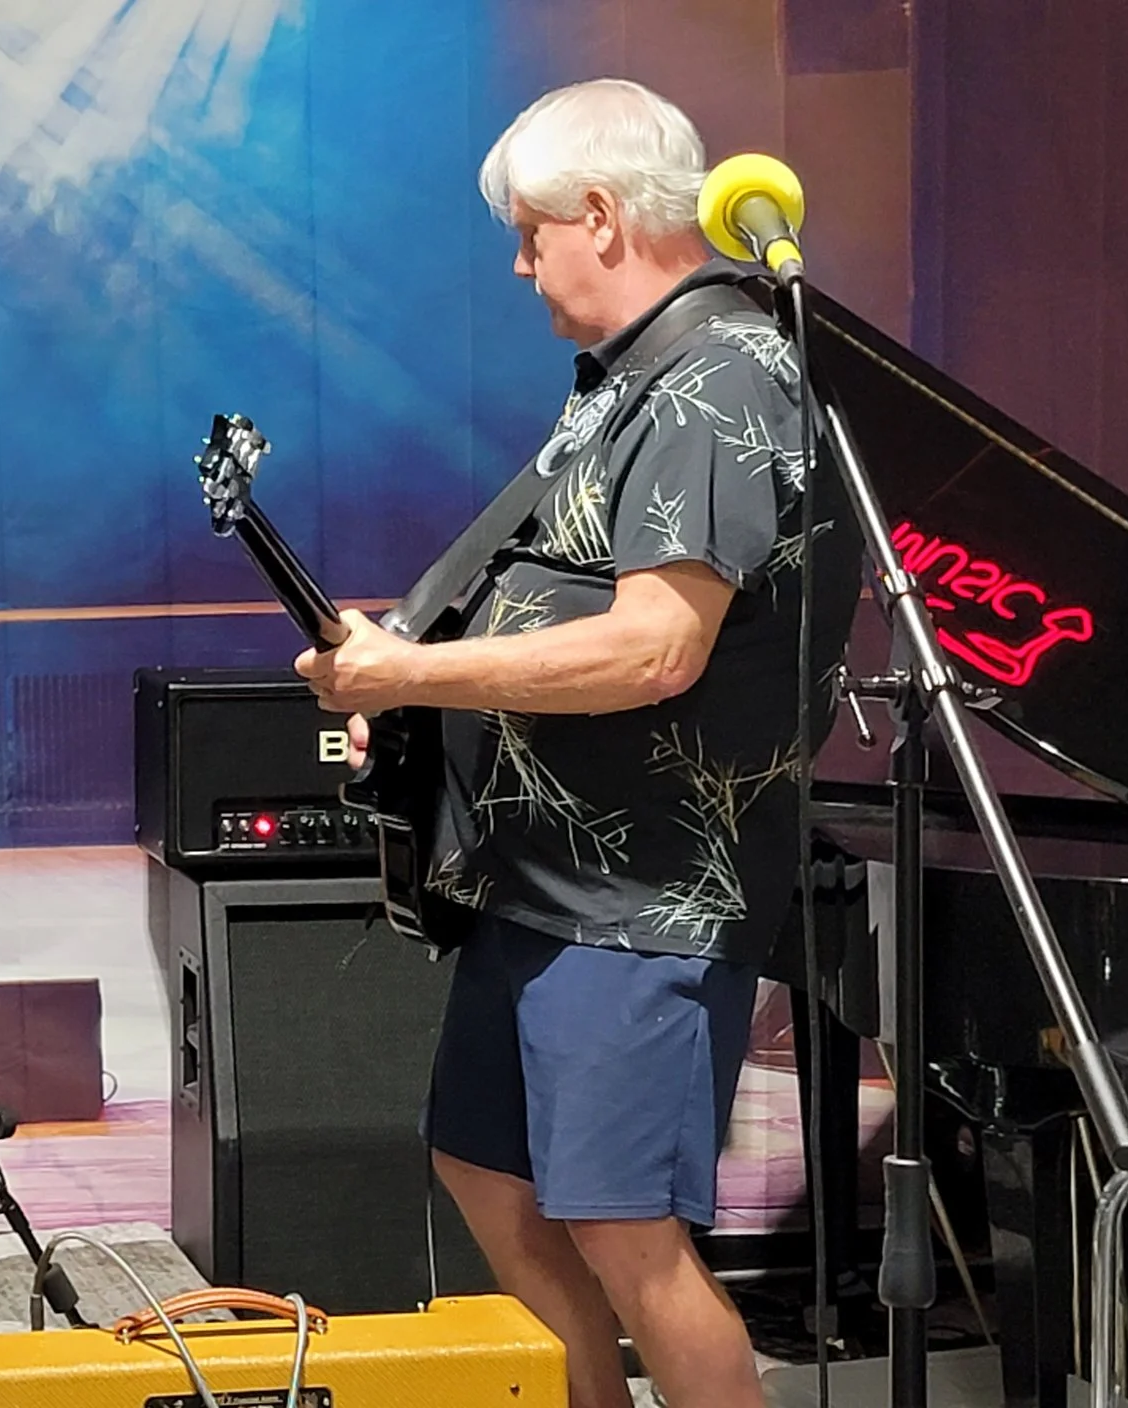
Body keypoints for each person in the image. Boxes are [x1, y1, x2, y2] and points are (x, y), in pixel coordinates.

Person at [294, 80, 857, 1408]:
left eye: (533, 229)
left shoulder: (720, 373)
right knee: (488, 1169)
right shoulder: (631, 377)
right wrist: (415, 676)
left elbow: (658, 643)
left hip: (642, 894)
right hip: (546, 875)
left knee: (627, 1233)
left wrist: (413, 666)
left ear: (600, 215)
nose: (520, 259)